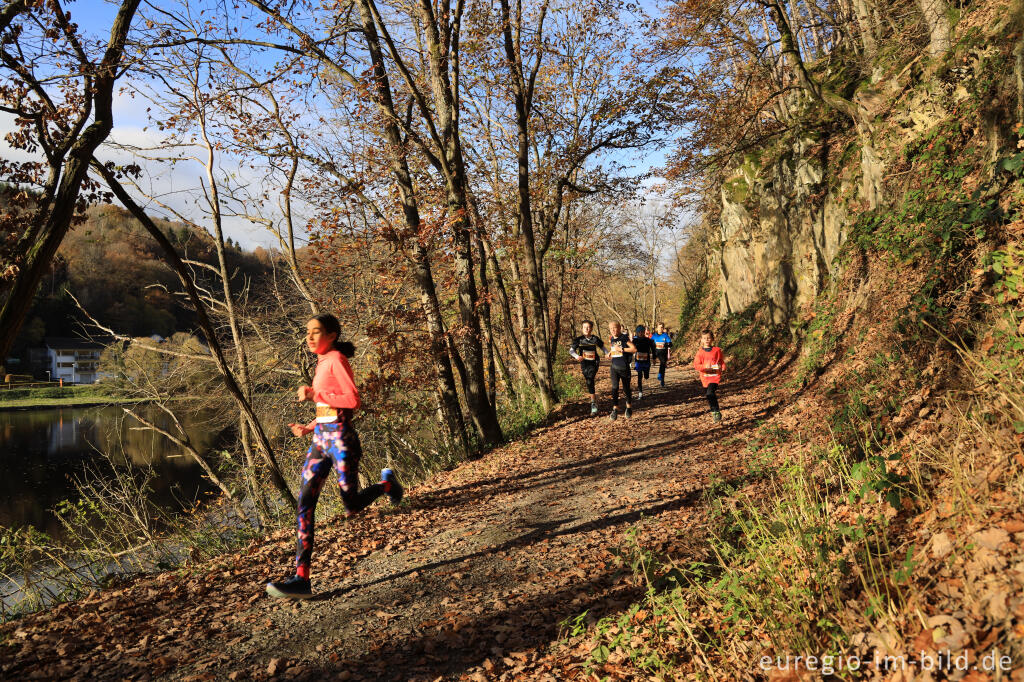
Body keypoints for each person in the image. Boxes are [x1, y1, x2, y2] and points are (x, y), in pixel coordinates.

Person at [267, 313, 403, 599]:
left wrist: (315, 392)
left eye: (316, 332)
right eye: (307, 332)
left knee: (351, 506)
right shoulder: (321, 362)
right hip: (320, 439)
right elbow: (329, 407)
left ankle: (388, 485)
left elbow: (352, 400)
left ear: (331, 335)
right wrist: (309, 427)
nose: (310, 337)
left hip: (341, 440)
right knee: (304, 503)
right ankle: (301, 579)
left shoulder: (337, 360)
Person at [569, 320, 605, 416]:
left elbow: (603, 347)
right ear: (582, 328)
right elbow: (571, 351)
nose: (586, 329)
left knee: (590, 379)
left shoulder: (595, 339)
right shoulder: (579, 340)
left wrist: (607, 353)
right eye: (585, 327)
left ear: (591, 328)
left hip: (594, 362)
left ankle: (593, 404)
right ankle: (593, 400)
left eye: (588, 327)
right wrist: (577, 356)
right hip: (584, 363)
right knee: (588, 381)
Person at [693, 328, 726, 423]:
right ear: (701, 340)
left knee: (710, 393)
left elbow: (721, 361)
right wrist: (704, 366)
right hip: (705, 378)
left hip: (715, 377)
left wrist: (723, 366)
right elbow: (696, 365)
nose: (706, 340)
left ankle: (716, 411)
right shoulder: (700, 352)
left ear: (712, 339)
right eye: (704, 338)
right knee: (709, 396)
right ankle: (714, 411)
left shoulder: (717, 350)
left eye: (708, 338)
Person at [607, 321, 637, 420]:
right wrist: (609, 354)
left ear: (619, 328)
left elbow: (634, 349)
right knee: (614, 388)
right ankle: (615, 409)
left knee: (626, 389)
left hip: (624, 367)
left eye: (615, 328)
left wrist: (622, 349)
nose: (613, 330)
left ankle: (629, 407)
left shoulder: (624, 338)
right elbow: (614, 349)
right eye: (611, 329)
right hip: (614, 367)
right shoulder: (612, 339)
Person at [631, 324, 655, 399]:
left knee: (646, 376)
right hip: (638, 362)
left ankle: (646, 373)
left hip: (646, 361)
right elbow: (630, 349)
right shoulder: (635, 340)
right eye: (639, 332)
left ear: (644, 332)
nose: (640, 333)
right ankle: (640, 393)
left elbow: (653, 349)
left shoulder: (648, 340)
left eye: (642, 332)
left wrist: (654, 358)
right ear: (637, 333)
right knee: (639, 376)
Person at [651, 322, 672, 388]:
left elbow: (671, 344)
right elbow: (651, 346)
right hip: (656, 352)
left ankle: (662, 378)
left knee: (663, 364)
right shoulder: (654, 336)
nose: (661, 328)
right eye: (660, 327)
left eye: (662, 327)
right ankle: (661, 376)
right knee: (662, 364)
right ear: (657, 328)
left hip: (663, 353)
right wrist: (653, 358)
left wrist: (665, 344)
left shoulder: (665, 335)